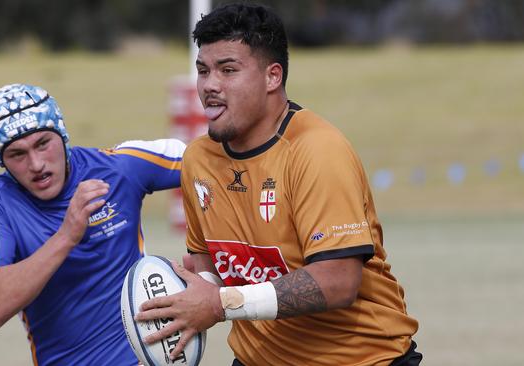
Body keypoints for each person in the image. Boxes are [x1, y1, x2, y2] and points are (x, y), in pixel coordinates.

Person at [135, 3, 422, 366]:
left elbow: (338, 281)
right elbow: (207, 255)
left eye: (228, 70)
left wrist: (219, 304)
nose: (209, 85)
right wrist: (200, 289)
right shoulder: (198, 159)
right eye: (203, 70)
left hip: (364, 359)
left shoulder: (317, 151)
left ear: (273, 77)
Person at [0, 83, 184, 365]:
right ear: (2, 161)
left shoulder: (117, 168)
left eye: (43, 143)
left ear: (62, 134)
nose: (36, 164)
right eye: (17, 154)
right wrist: (67, 236)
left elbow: (211, 159)